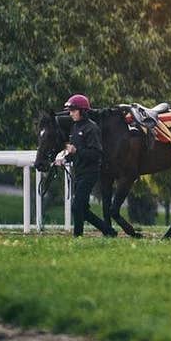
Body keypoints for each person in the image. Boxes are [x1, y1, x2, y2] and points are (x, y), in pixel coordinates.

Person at [58, 94, 115, 238]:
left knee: (77, 207)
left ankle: (78, 237)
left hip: (90, 173)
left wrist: (76, 151)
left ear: (82, 111)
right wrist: (65, 159)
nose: (70, 113)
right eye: (70, 111)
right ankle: (109, 231)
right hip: (79, 172)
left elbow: (96, 154)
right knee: (82, 209)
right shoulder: (75, 127)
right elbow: (76, 152)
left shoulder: (92, 128)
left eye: (73, 110)